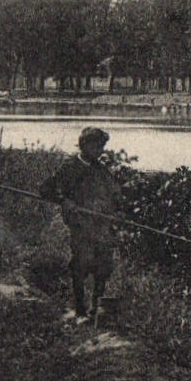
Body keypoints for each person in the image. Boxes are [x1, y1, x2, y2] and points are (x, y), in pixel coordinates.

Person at [39, 126, 122, 324]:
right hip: (81, 226)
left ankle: (96, 308)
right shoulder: (69, 168)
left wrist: (118, 212)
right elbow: (46, 189)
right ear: (84, 145)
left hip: (102, 226)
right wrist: (65, 200)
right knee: (81, 264)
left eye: (101, 147)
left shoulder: (102, 171)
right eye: (96, 146)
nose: (99, 150)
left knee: (103, 266)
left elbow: (115, 195)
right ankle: (80, 309)